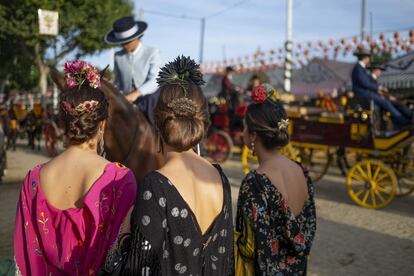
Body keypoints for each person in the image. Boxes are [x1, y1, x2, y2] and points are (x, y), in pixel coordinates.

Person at [101, 56, 234, 275]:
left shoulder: (155, 186)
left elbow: (137, 268)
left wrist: (123, 231)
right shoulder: (221, 178)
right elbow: (227, 259)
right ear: (203, 121)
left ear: (158, 123)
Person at [13, 61, 137, 275]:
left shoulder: (33, 179)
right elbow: (123, 255)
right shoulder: (120, 179)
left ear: (62, 123)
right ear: (101, 125)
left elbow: (25, 256)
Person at [235, 84, 316, 275]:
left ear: (253, 135)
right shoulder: (301, 172)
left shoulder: (254, 183)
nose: (243, 132)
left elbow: (247, 245)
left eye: (245, 127)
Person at [105, 16, 161, 124]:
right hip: (125, 98)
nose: (123, 45)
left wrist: (136, 94)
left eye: (127, 42)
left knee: (151, 101)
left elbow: (156, 79)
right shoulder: (118, 56)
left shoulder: (152, 52)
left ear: (137, 37)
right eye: (121, 42)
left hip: (148, 98)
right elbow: (117, 80)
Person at [351, 49, 410, 127]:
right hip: (362, 93)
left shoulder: (361, 68)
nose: (369, 59)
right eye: (369, 57)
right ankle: (401, 120)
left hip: (366, 92)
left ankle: (401, 119)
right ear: (365, 58)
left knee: (387, 101)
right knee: (384, 101)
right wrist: (379, 88)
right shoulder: (358, 68)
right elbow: (364, 83)